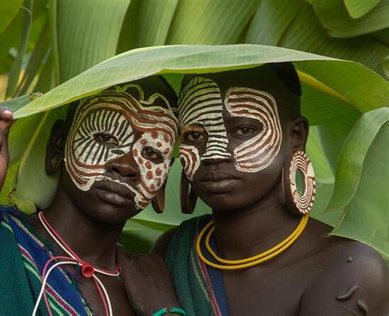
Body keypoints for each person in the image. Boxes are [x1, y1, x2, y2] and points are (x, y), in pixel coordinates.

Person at [122, 64, 389, 315]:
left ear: (296, 136)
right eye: (195, 135)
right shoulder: (176, 249)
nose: (214, 153)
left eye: (243, 129)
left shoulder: (349, 268)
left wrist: (165, 309)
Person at [0, 77, 183, 316]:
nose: (126, 165)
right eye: (105, 138)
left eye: (152, 153)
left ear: (163, 183)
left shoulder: (152, 285)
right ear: (58, 145)